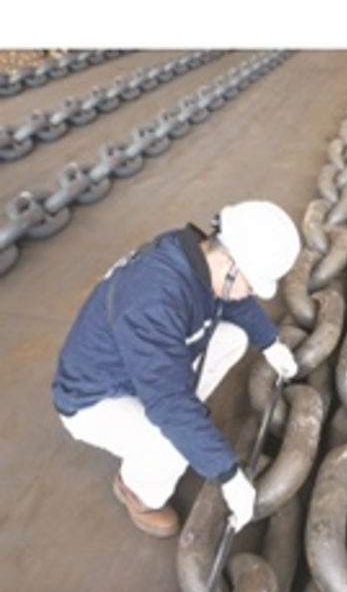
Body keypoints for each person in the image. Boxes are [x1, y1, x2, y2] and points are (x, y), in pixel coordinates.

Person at [51, 199, 301, 539]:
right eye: (252, 284)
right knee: (170, 439)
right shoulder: (153, 299)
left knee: (231, 337)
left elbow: (234, 301)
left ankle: (182, 427)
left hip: (136, 368)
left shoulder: (198, 257)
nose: (252, 293)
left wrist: (270, 342)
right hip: (94, 398)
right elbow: (168, 403)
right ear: (229, 262)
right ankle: (137, 492)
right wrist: (229, 475)